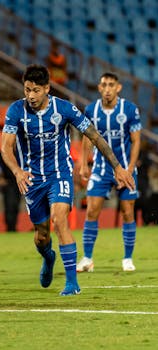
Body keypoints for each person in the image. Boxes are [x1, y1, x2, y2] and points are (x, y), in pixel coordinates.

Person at [1, 64, 135, 296]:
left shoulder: (64, 109)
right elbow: (6, 147)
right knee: (42, 235)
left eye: (35, 90)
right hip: (32, 180)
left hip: (60, 175)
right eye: (27, 90)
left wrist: (118, 167)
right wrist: (17, 171)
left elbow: (93, 135)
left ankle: (72, 283)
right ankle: (48, 257)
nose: (30, 96)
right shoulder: (15, 111)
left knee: (59, 218)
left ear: (47, 89)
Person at [76, 72, 142, 273]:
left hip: (126, 169)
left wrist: (130, 169)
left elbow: (136, 140)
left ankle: (127, 258)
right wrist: (83, 163)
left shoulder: (129, 110)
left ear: (118, 88)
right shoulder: (91, 110)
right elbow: (87, 138)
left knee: (128, 211)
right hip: (101, 169)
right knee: (91, 210)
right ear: (99, 87)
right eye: (103, 84)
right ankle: (87, 259)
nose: (107, 89)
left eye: (111, 85)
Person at [0, 151, 22, 232]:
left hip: (17, 182)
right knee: (9, 205)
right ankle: (10, 227)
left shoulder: (19, 152)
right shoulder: (2, 153)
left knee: (15, 205)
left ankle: (13, 226)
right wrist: (0, 177)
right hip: (8, 183)